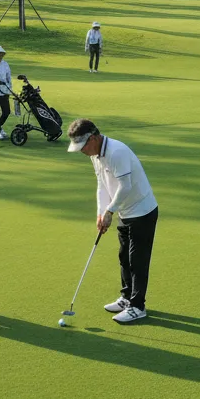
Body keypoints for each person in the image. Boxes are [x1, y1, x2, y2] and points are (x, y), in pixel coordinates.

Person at [66, 118, 159, 324]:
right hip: (125, 212)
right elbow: (102, 184)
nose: (82, 152)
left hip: (142, 211)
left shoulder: (116, 152)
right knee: (124, 257)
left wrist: (110, 210)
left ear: (93, 138)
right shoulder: (95, 155)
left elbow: (125, 186)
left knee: (137, 261)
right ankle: (127, 298)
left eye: (83, 147)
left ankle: (138, 306)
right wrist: (101, 212)